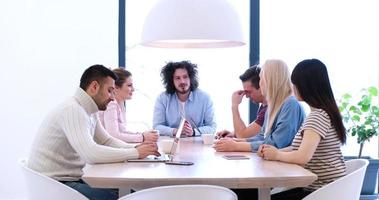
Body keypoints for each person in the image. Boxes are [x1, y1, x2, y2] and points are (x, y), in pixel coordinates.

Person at [28, 65, 160, 200]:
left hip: (64, 181)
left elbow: (106, 140)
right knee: (127, 196)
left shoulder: (89, 110)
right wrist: (136, 153)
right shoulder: (73, 109)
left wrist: (137, 148)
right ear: (94, 87)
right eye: (110, 91)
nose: (112, 98)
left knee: (131, 193)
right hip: (53, 186)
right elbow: (90, 154)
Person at [259, 59, 347, 200]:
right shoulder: (323, 113)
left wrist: (276, 155)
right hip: (328, 188)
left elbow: (302, 157)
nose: (292, 88)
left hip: (322, 191)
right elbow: (298, 148)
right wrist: (272, 151)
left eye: (295, 84)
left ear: (306, 86)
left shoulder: (317, 117)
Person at [214, 59, 305, 153]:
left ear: (270, 80)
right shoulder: (272, 105)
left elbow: (276, 144)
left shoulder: (290, 105)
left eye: (261, 78)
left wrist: (236, 146)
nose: (260, 83)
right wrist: (235, 141)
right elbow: (262, 136)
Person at [153, 61, 216, 137]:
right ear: (171, 81)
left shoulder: (205, 98)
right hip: (171, 144)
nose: (182, 81)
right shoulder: (162, 98)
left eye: (185, 77)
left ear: (191, 78)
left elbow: (212, 127)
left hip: (197, 145)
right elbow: (156, 127)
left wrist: (193, 132)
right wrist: (175, 131)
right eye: (177, 78)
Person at [98, 68, 159, 143]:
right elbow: (113, 135)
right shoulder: (111, 104)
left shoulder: (120, 103)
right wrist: (142, 137)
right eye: (129, 85)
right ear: (116, 87)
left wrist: (143, 134)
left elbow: (122, 132)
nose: (133, 89)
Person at [216, 65, 267, 139]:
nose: (246, 96)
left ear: (261, 87)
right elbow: (249, 132)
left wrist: (234, 105)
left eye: (249, 92)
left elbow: (242, 136)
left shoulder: (268, 109)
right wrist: (234, 133)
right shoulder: (264, 106)